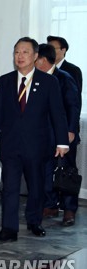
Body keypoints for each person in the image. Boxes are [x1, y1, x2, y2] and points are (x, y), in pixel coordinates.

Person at [0, 37, 69, 242]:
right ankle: (8, 229)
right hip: (11, 145)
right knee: (10, 188)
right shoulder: (5, 81)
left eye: (25, 52)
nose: (20, 56)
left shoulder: (49, 82)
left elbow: (57, 113)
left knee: (36, 187)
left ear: (35, 56)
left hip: (37, 145)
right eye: (16, 52)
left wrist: (62, 142)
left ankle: (34, 221)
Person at [35, 43, 81, 226]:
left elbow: (73, 106)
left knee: (66, 171)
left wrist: (70, 131)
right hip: (44, 135)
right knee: (47, 171)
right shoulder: (37, 78)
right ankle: (51, 204)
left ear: (43, 60)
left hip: (63, 135)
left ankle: (69, 210)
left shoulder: (64, 78)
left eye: (35, 58)